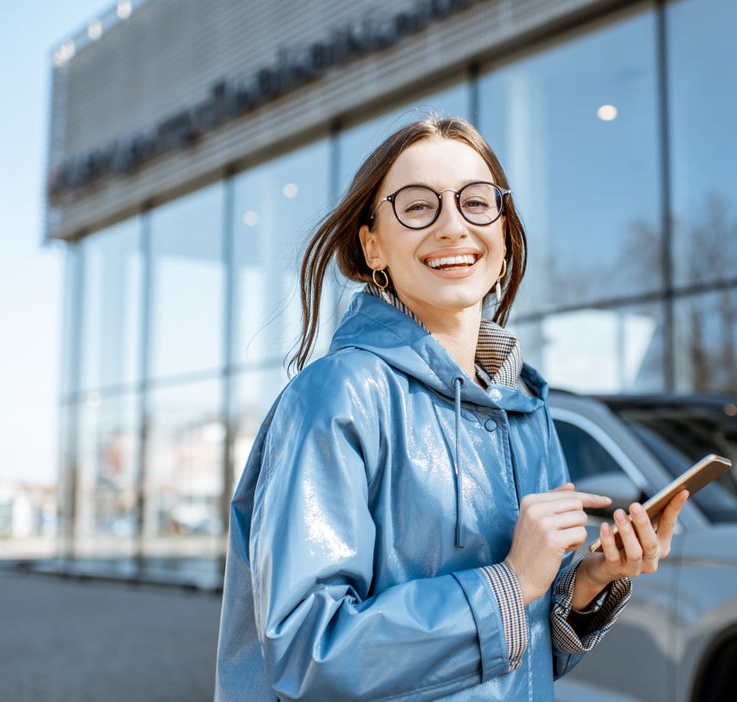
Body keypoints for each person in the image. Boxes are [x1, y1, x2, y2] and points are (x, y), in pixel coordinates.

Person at [215, 116, 690, 701]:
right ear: (372, 245)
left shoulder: (524, 406)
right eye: (417, 207)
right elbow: (308, 654)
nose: (452, 226)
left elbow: (523, 658)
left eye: (476, 202)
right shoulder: (338, 393)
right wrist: (511, 586)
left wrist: (589, 579)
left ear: (505, 230)